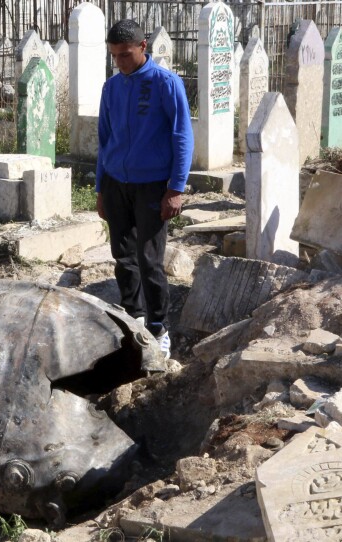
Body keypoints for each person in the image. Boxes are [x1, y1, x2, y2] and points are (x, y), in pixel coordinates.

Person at [95, 19, 194, 360]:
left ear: (143, 47)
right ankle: (132, 315)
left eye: (125, 55)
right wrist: (99, 188)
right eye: (114, 57)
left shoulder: (166, 83)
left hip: (152, 186)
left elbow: (182, 137)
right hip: (115, 183)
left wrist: (176, 188)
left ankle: (157, 326)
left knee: (149, 258)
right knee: (122, 256)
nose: (120, 63)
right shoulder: (111, 88)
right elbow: (104, 141)